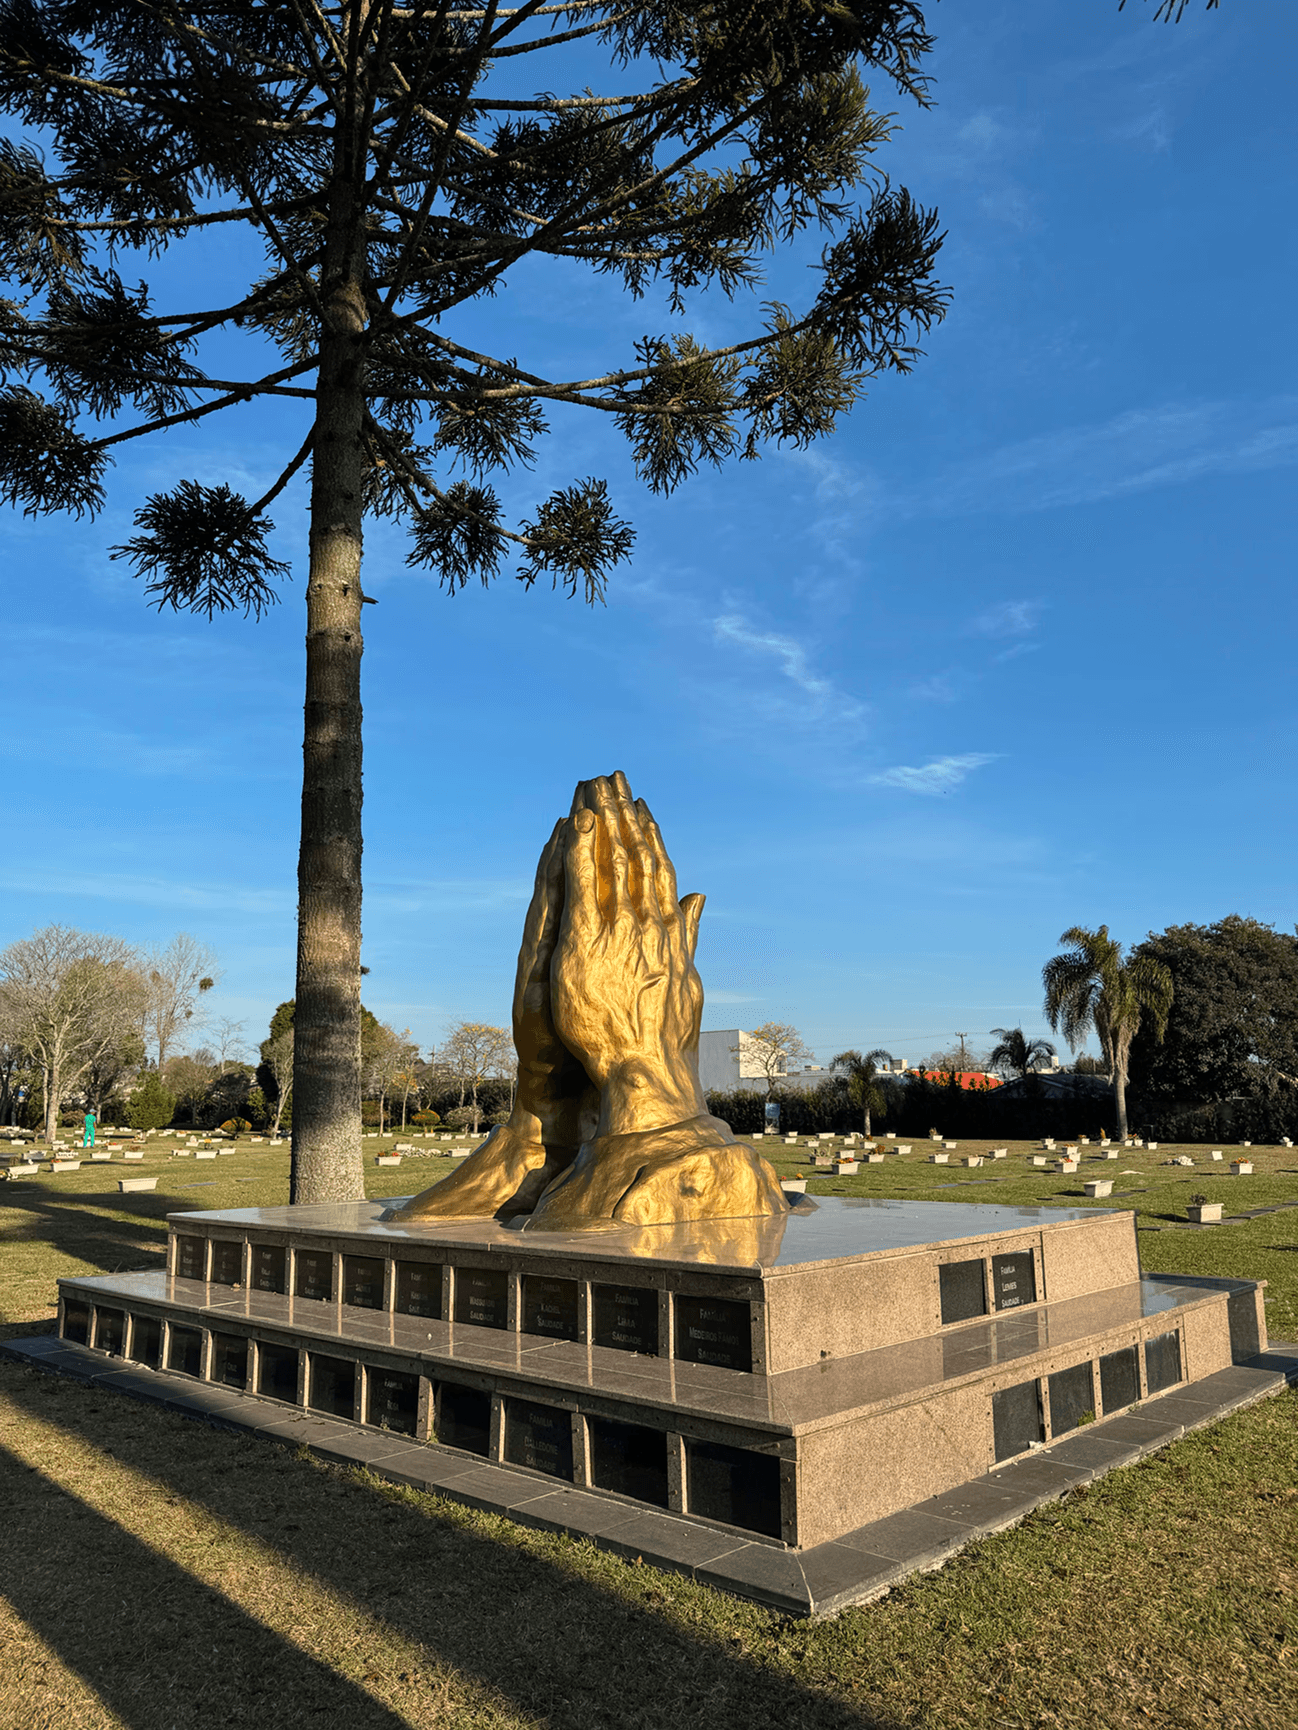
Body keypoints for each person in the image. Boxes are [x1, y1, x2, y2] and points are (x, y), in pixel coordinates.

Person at [389, 773, 787, 1230]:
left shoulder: (712, 1176)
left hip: (663, 1139)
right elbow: (413, 1223)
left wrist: (644, 1066)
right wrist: (543, 1113)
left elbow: (565, 1230)